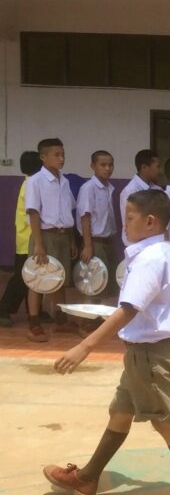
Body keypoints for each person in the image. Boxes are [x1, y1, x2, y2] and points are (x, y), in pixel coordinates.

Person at [43, 189, 170, 495]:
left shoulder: (150, 260)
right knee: (121, 412)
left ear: (150, 221)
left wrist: (85, 346)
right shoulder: (169, 253)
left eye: (131, 218)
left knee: (166, 421)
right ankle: (87, 478)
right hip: (147, 351)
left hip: (149, 354)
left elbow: (128, 309)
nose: (126, 225)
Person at [24, 138, 78, 343]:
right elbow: (34, 213)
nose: (61, 158)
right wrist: (39, 243)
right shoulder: (36, 181)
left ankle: (61, 320)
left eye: (63, 154)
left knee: (59, 278)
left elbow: (67, 211)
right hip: (44, 236)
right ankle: (34, 323)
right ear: (43, 157)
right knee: (37, 280)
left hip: (63, 235)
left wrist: (72, 239)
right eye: (56, 154)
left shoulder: (64, 181)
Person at [0, 150, 42, 327]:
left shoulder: (29, 182)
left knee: (35, 277)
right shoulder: (32, 184)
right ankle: (4, 309)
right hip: (27, 239)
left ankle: (34, 309)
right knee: (22, 277)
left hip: (27, 238)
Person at [76, 150, 118, 302]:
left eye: (110, 165)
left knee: (106, 282)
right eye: (103, 165)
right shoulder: (88, 188)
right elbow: (85, 217)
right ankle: (89, 320)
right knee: (93, 280)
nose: (108, 168)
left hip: (108, 240)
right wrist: (88, 245)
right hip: (94, 241)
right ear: (93, 166)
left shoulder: (109, 188)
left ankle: (100, 316)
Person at [119, 149, 162, 247]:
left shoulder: (157, 189)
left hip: (154, 243)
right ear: (144, 167)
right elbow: (129, 223)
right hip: (137, 245)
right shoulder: (130, 191)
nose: (160, 171)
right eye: (157, 166)